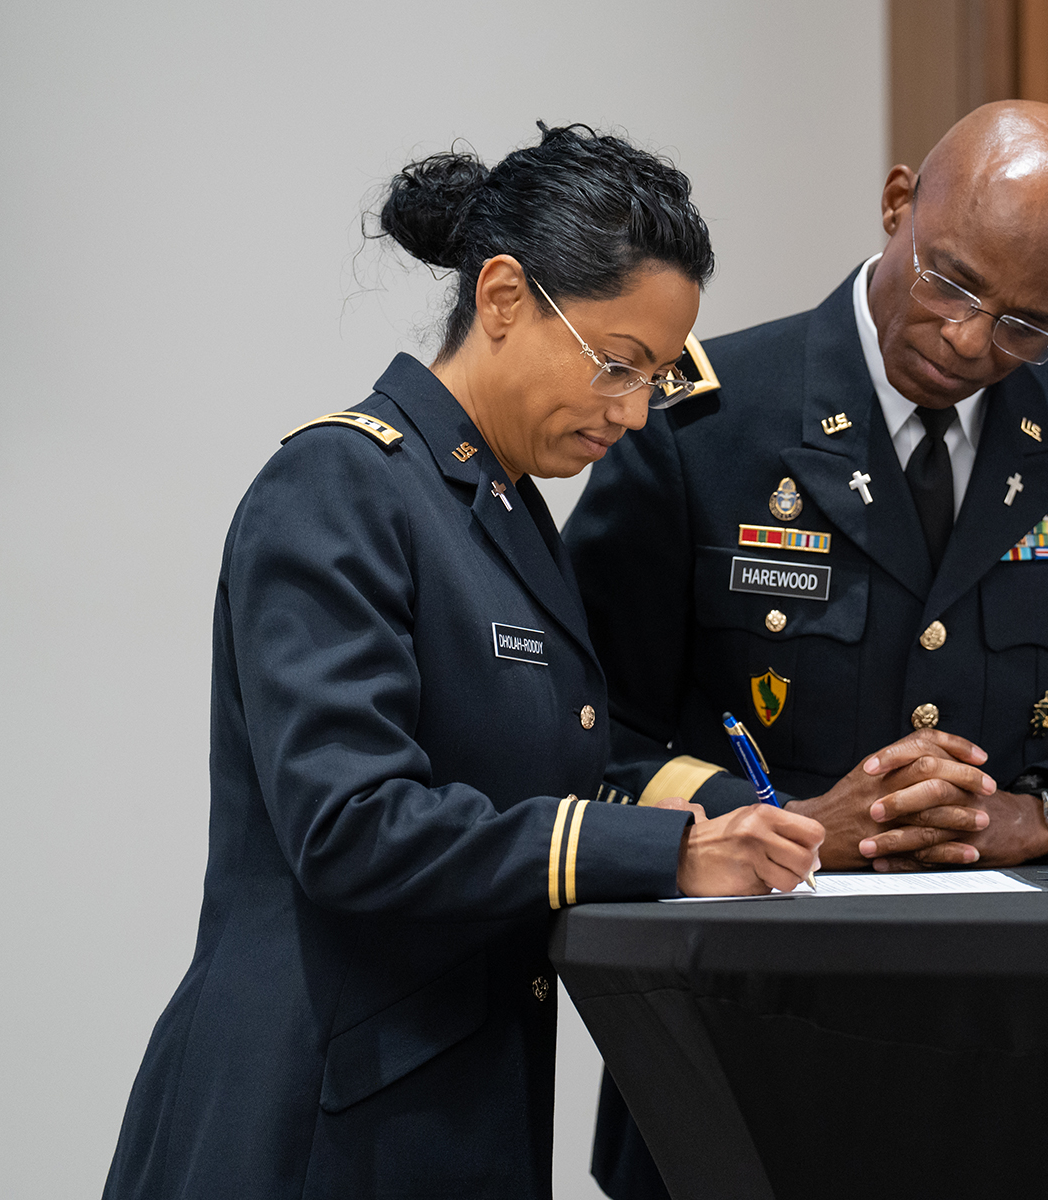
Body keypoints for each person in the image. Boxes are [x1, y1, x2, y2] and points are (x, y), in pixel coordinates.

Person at [100, 123, 823, 1200]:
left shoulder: (505, 508)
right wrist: (659, 855)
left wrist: (722, 826)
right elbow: (353, 828)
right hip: (314, 1118)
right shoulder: (340, 488)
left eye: (656, 379)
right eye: (617, 365)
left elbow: (542, 776)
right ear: (501, 298)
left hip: (449, 1104)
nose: (632, 412)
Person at [565, 101, 1048, 1198]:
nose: (973, 342)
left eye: (1029, 323)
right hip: (742, 1051)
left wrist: (1040, 819)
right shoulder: (700, 423)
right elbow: (583, 738)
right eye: (954, 284)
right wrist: (783, 832)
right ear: (895, 207)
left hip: (1025, 1071)